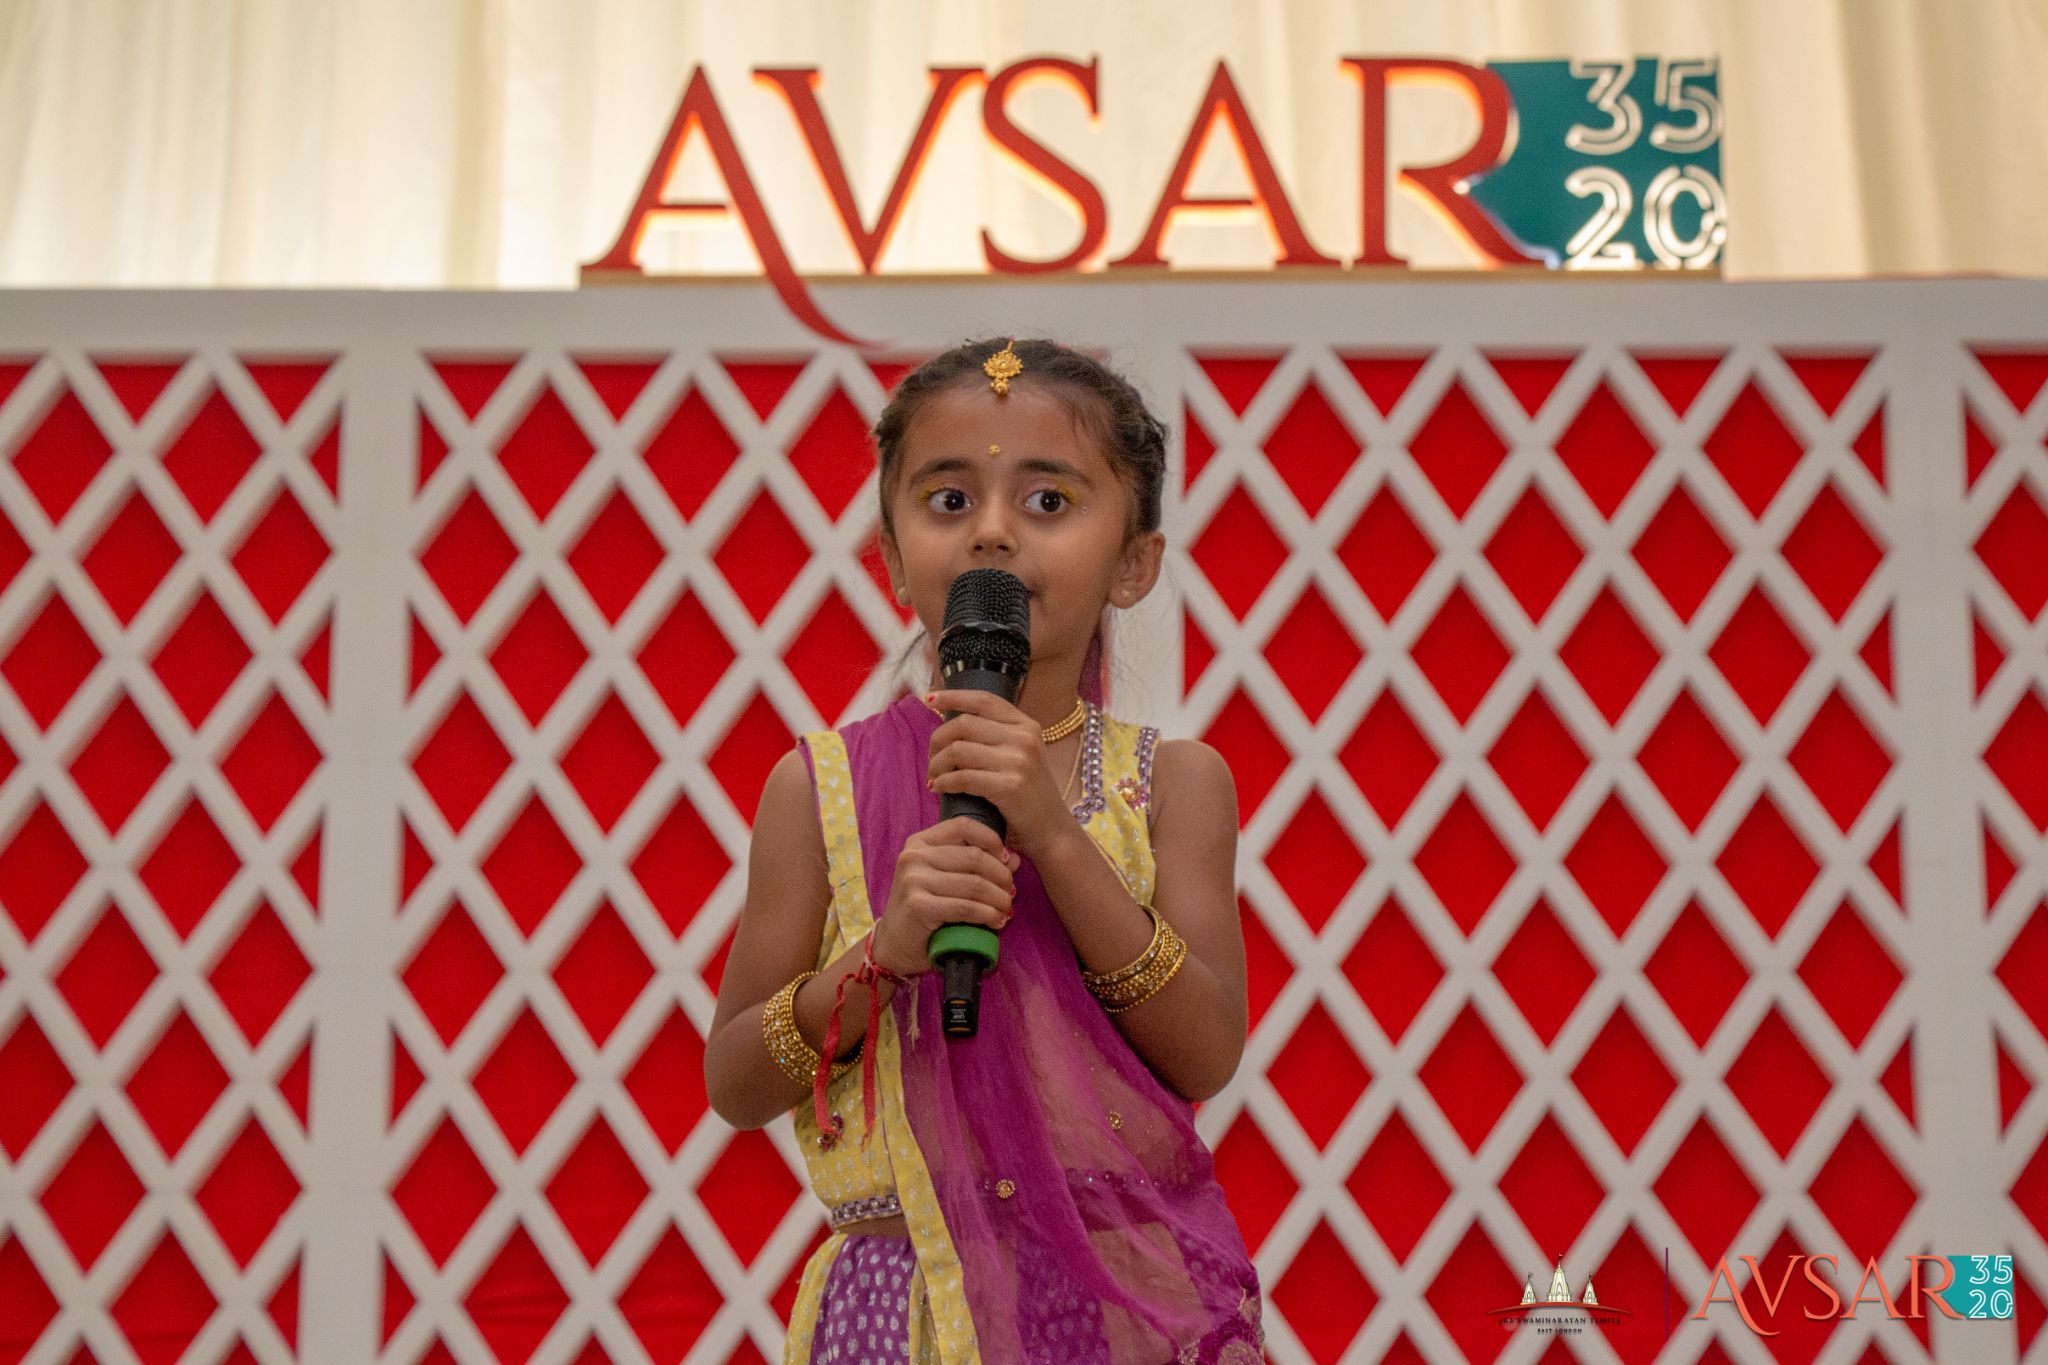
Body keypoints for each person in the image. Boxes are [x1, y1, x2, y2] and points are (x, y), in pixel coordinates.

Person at [704, 337, 1263, 1364]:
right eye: (948, 501)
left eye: (1047, 503)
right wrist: (881, 956)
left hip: (1115, 1297)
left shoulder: (1174, 786)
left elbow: (1204, 1051)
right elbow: (735, 1081)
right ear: (888, 554)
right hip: (896, 1303)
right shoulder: (819, 786)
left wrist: (1051, 831)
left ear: (1135, 562)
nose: (993, 533)